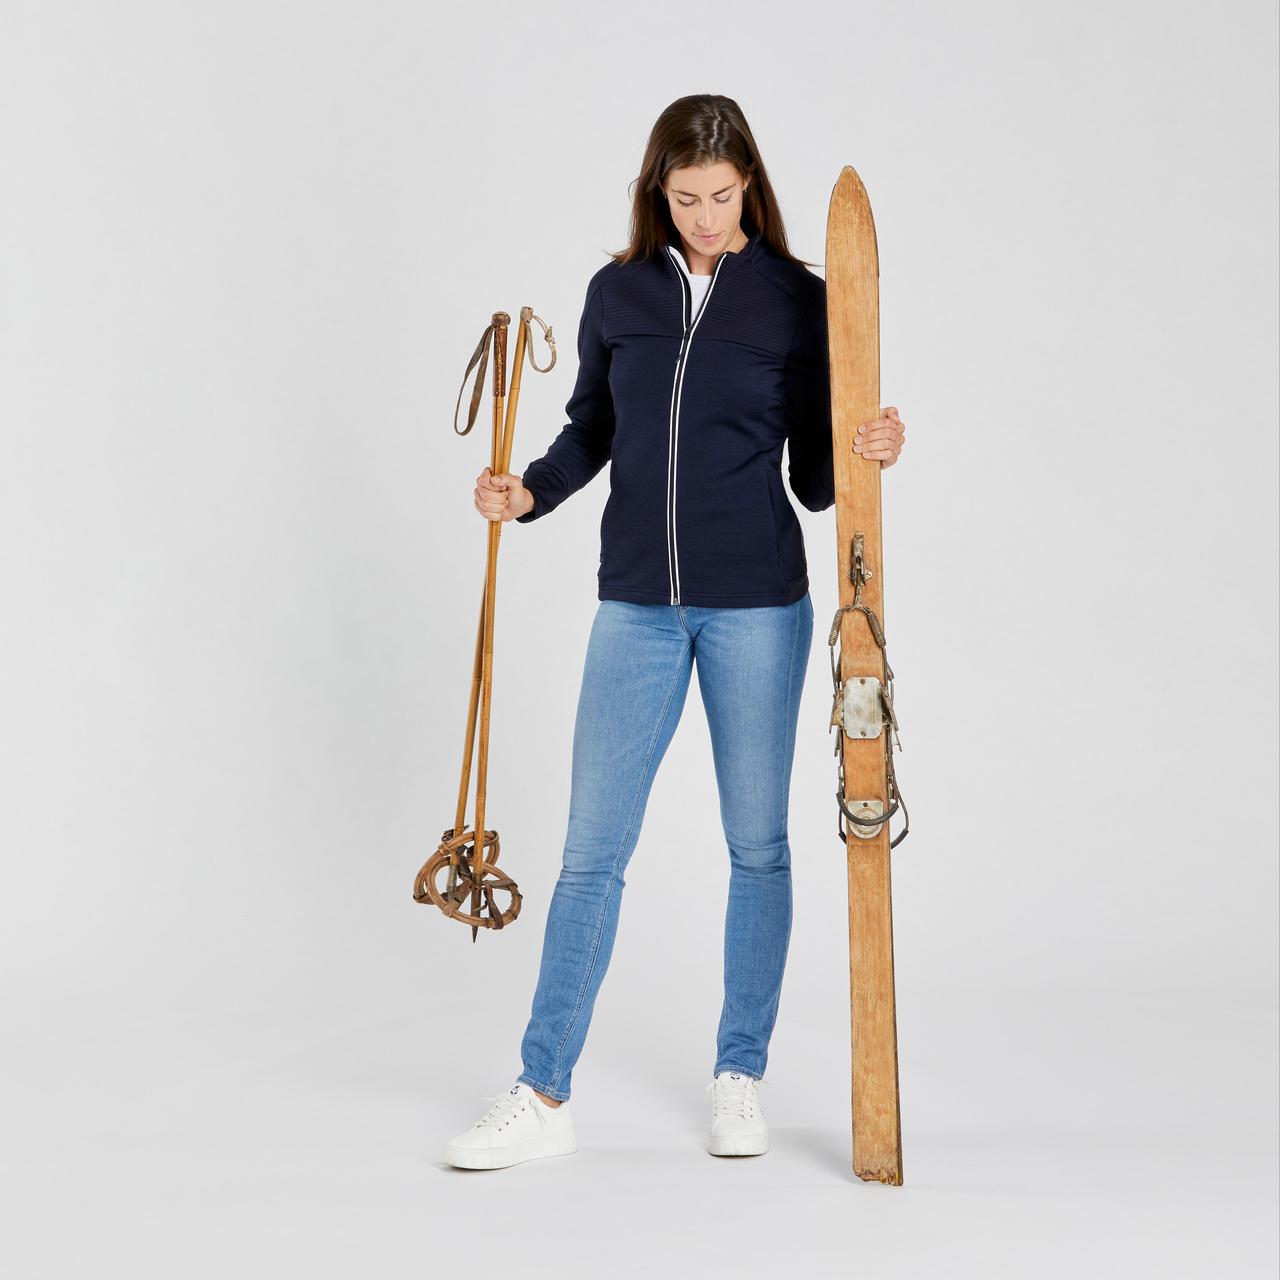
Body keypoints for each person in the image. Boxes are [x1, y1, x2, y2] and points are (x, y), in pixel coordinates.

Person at [442, 94, 906, 1171]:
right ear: (660, 189)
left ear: (750, 187)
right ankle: (541, 1090)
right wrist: (529, 493)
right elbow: (592, 426)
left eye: (722, 196)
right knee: (590, 853)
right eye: (686, 197)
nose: (704, 216)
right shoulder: (618, 292)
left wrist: (865, 445)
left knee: (756, 845)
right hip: (636, 607)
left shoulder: (797, 301)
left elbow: (813, 477)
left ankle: (738, 1074)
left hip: (759, 607)